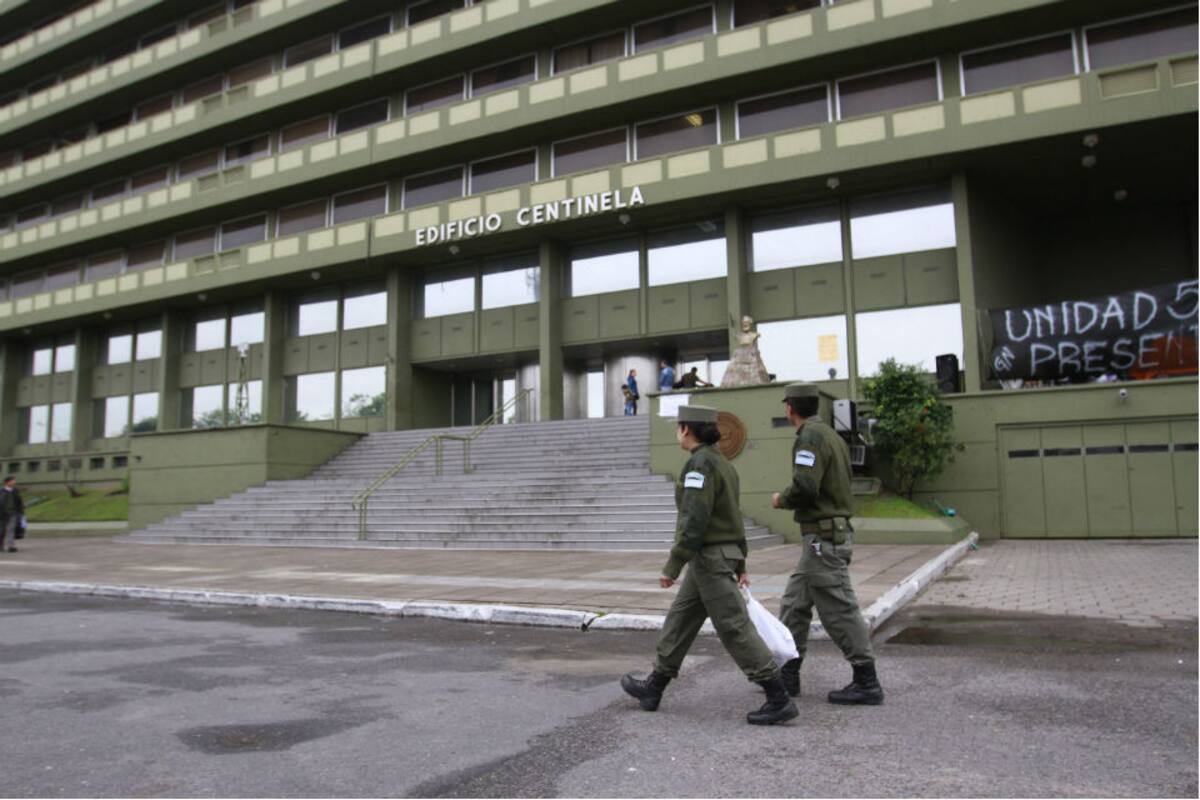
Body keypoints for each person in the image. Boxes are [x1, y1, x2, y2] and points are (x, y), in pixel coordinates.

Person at [621, 405, 798, 726]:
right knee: (681, 618)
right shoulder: (723, 464)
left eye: (678, 426)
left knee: (734, 626)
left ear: (686, 429)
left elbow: (694, 520)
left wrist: (673, 565)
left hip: (709, 558)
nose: (677, 431)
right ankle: (655, 686)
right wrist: (741, 560)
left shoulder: (699, 465)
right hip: (719, 555)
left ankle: (778, 696)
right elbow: (734, 517)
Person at [771, 384, 883, 705]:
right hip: (820, 538)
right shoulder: (832, 435)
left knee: (839, 609)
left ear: (790, 408)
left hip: (824, 537)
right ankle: (788, 675)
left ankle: (867, 680)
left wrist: (782, 499)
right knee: (794, 604)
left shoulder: (810, 437)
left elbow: (806, 487)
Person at [1, 476, 24, 553]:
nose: (14, 482)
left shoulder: (15, 491)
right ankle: (1, 546)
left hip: (13, 513)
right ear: (7, 482)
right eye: (12, 481)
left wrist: (20, 511)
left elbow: (19, 501)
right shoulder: (1, 491)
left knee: (11, 530)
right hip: (2, 514)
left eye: (14, 481)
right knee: (2, 530)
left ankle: (11, 546)